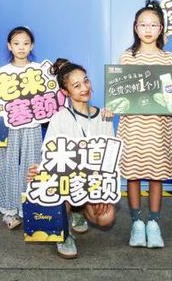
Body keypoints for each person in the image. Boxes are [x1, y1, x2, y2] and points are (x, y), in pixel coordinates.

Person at [27, 58, 117, 259]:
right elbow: (49, 156)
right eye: (76, 85)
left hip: (91, 183)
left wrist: (103, 193)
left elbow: (109, 160)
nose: (84, 88)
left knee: (106, 218)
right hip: (67, 183)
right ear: (65, 91)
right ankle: (64, 234)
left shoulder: (104, 116)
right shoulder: (59, 118)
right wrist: (38, 170)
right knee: (54, 181)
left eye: (86, 81)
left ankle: (79, 210)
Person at [117, 0, 172, 249]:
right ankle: (136, 224)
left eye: (153, 24)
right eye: (143, 24)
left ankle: (153, 223)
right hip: (132, 126)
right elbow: (120, 93)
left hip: (158, 127)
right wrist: (113, 103)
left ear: (161, 28)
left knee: (156, 176)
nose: (148, 29)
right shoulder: (127, 57)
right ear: (135, 27)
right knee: (132, 175)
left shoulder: (169, 58)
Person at [0, 26, 43, 229]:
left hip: (32, 124)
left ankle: (31, 208)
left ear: (32, 46)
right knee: (7, 164)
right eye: (16, 43)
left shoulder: (39, 70)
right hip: (10, 125)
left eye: (26, 43)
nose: (21, 47)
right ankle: (9, 210)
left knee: (33, 165)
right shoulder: (3, 72)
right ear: (9, 46)